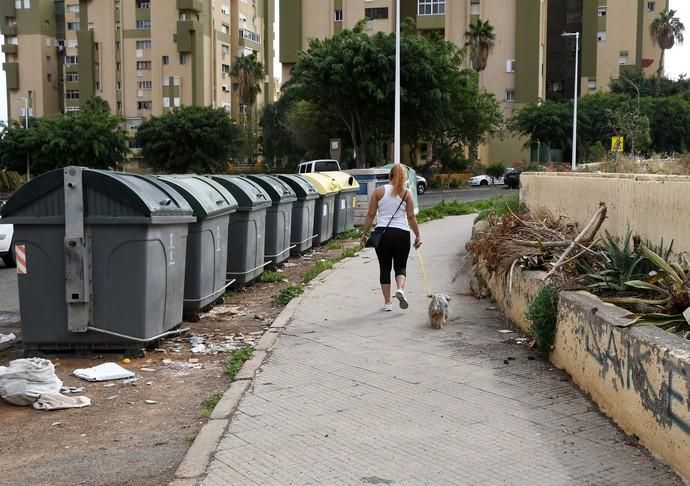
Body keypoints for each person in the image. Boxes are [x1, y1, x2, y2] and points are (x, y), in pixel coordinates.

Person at [360, 164, 422, 312]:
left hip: (383, 234)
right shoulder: (407, 193)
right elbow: (411, 216)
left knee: (384, 268)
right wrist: (418, 235)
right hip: (402, 234)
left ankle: (388, 303)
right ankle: (400, 289)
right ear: (404, 177)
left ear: (390, 176)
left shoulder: (378, 192)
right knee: (400, 267)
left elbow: (371, 215)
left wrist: (364, 233)